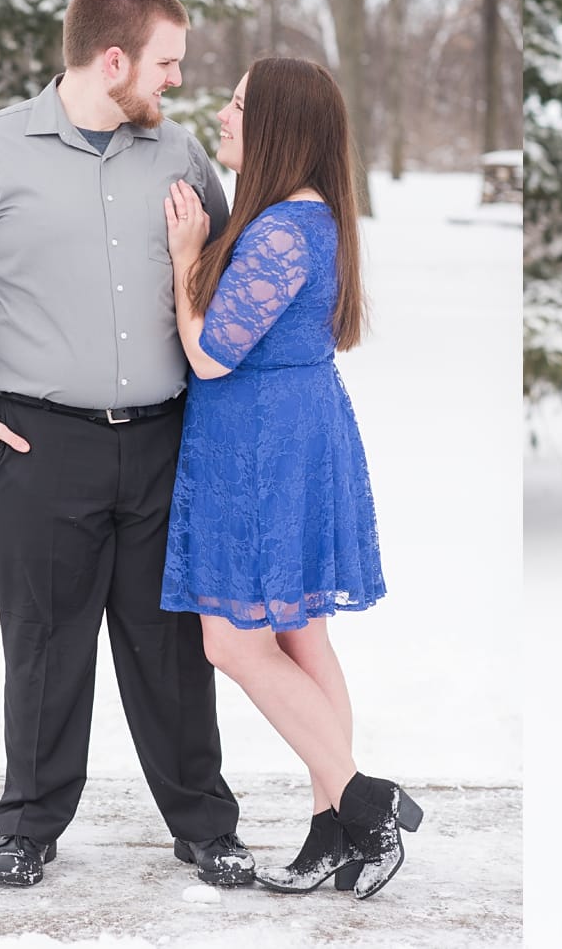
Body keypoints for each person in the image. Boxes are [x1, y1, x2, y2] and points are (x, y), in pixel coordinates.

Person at [0, 0, 254, 888]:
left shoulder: (179, 156)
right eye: (167, 62)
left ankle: (203, 822)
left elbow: (220, 290)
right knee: (45, 638)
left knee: (170, 641)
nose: (177, 81)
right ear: (114, 61)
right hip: (34, 445)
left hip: (165, 443)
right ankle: (29, 824)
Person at [158, 56, 421, 901]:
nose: (223, 116)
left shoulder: (279, 231)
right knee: (304, 636)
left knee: (231, 641)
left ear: (276, 127)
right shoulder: (299, 217)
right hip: (291, 433)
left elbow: (208, 351)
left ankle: (363, 802)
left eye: (238, 105)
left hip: (265, 448)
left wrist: (183, 257)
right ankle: (333, 830)